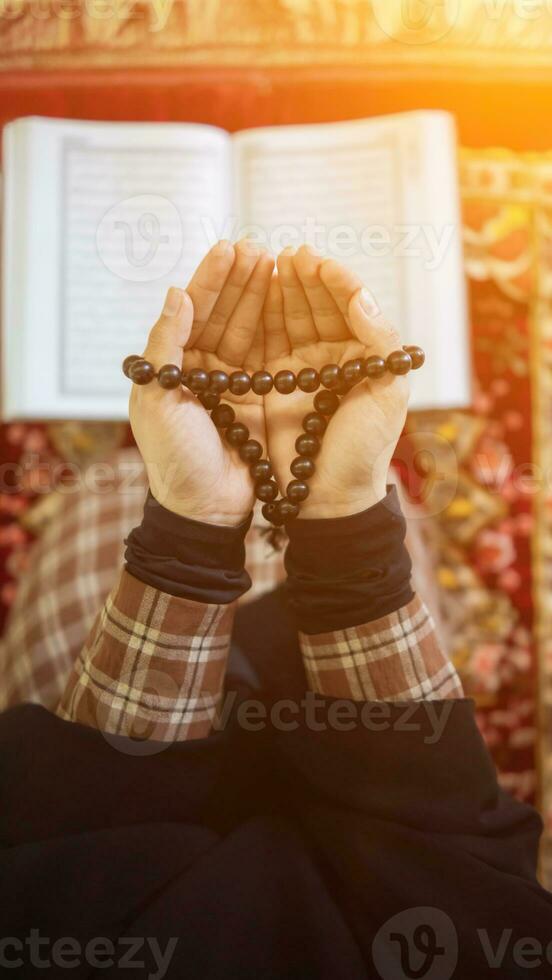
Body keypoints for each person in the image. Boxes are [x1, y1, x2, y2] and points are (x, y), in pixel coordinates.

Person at [0, 242, 550, 979]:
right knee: (393, 524)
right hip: (379, 784)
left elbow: (55, 860)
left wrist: (188, 535)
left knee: (108, 494)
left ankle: (129, 474)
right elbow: (471, 871)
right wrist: (346, 528)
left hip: (120, 792)